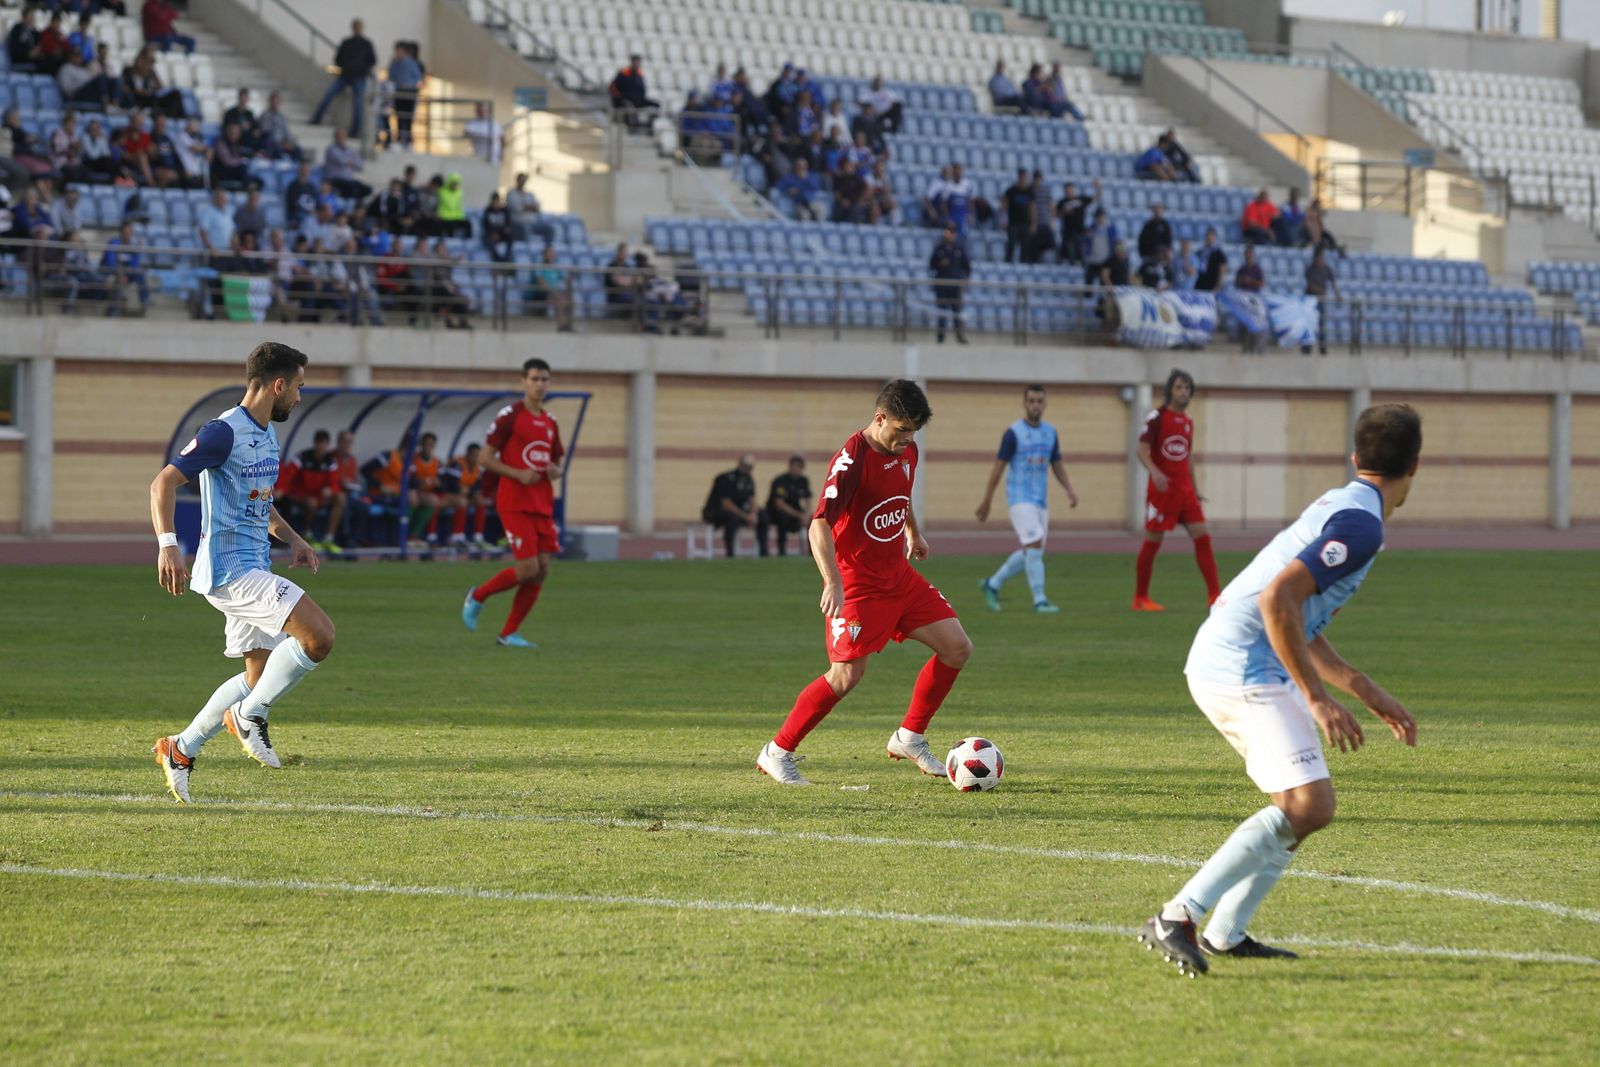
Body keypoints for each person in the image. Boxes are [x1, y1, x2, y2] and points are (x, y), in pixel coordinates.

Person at [1137, 404, 1422, 975]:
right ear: (1415, 465)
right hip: (1238, 665)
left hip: (1242, 657)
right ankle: (1177, 916)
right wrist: (1316, 699)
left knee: (1301, 807)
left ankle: (1225, 932)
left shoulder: (1347, 505)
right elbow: (1277, 603)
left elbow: (1298, 620)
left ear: (1355, 457)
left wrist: (1363, 688)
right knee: (1310, 803)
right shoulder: (1361, 525)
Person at [756, 379, 972, 786]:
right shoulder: (851, 460)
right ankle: (778, 751)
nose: (907, 439)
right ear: (880, 418)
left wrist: (913, 533)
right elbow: (818, 524)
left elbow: (900, 496)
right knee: (845, 676)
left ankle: (909, 736)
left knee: (958, 648)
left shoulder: (907, 450)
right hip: (858, 585)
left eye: (913, 432)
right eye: (901, 429)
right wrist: (832, 581)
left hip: (899, 578)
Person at [149, 342, 334, 803]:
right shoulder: (221, 432)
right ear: (278, 385)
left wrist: (292, 539)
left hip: (255, 563)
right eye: (298, 387)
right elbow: (163, 482)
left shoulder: (267, 433)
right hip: (229, 571)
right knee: (318, 637)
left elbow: (260, 501)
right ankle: (250, 715)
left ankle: (181, 749)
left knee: (258, 673)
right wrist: (168, 546)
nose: (299, 396)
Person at [461, 359, 565, 648]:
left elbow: (556, 460)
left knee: (543, 570)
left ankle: (508, 634)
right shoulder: (510, 415)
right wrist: (518, 473)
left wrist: (557, 469)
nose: (540, 384)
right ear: (523, 381)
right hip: (515, 502)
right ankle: (478, 595)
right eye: (534, 379)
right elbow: (485, 458)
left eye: (545, 379)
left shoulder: (549, 421)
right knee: (527, 569)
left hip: (542, 503)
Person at [976, 385, 1079, 614]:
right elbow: (998, 467)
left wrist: (1070, 490)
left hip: (1040, 501)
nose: (1035, 405)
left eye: (1039, 401)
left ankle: (992, 585)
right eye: (1031, 401)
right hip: (1019, 498)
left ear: (1045, 403)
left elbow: (1057, 464)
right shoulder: (1013, 433)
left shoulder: (1050, 432)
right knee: (1034, 544)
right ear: (1025, 403)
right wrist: (987, 500)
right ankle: (1040, 600)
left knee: (1033, 552)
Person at [1133, 369, 1220, 612]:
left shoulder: (1188, 422)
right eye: (1179, 387)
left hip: (1185, 492)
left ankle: (1214, 595)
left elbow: (1187, 456)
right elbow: (1141, 450)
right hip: (1162, 493)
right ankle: (1140, 597)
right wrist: (1155, 472)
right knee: (1153, 541)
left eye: (1187, 388)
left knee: (1203, 537)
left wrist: (1195, 488)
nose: (1183, 392)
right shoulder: (1157, 418)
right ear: (1170, 389)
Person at [311, 19, 377, 136]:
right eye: (356, 27)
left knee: (358, 104)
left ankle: (355, 131)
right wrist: (345, 67)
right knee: (328, 94)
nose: (357, 29)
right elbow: (338, 58)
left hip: (359, 77)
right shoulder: (347, 42)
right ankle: (316, 119)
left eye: (359, 27)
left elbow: (372, 60)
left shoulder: (366, 44)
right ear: (353, 28)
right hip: (345, 76)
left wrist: (361, 69)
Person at [289, 428, 345, 553]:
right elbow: (288, 477)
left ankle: (329, 538)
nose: (321, 447)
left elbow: (335, 482)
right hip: (302, 496)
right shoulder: (302, 458)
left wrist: (330, 489)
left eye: (324, 444)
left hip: (320, 497)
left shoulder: (330, 461)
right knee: (311, 502)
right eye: (319, 443)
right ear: (315, 443)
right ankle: (308, 534)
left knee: (341, 498)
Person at [701, 455, 767, 558]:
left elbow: (752, 499)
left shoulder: (749, 479)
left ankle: (764, 552)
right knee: (733, 518)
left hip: (738, 512)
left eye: (751, 467)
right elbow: (726, 504)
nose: (748, 469)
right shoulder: (725, 478)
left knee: (763, 515)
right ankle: (730, 552)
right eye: (747, 466)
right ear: (740, 464)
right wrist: (745, 516)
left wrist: (753, 514)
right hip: (715, 512)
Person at [929, 224, 970, 345]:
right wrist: (940, 264)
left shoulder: (959, 249)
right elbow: (931, 266)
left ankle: (960, 336)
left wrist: (965, 278)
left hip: (955, 286)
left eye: (951, 233)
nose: (948, 235)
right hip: (942, 286)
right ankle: (941, 337)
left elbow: (966, 267)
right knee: (942, 312)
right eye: (946, 232)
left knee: (957, 312)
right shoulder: (939, 249)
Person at [765, 454, 812, 557]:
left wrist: (807, 514)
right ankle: (782, 550)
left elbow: (808, 498)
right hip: (777, 512)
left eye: (798, 467)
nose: (796, 469)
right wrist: (799, 515)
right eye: (794, 466)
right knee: (783, 518)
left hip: (796, 511)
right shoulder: (780, 481)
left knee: (813, 520)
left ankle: (811, 550)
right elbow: (779, 503)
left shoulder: (803, 481)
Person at [101, 220, 149, 316]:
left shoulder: (132, 246)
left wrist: (127, 275)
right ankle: (112, 311)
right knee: (117, 282)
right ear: (121, 232)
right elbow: (111, 263)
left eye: (130, 232)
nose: (129, 234)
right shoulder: (114, 243)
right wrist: (120, 274)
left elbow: (135, 264)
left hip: (127, 275)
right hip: (111, 273)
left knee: (140, 275)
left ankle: (143, 306)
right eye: (126, 232)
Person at [1303, 245, 1338, 356]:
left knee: (1321, 323)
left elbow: (1333, 281)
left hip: (1321, 301)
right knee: (1309, 323)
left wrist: (1337, 294)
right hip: (1311, 300)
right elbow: (1310, 285)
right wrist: (1321, 292)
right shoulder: (1310, 269)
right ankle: (1307, 347)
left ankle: (1322, 347)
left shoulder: (1326, 268)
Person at [388, 41, 424, 150]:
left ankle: (408, 141)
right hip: (399, 91)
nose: (397, 53)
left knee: (408, 117)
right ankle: (399, 139)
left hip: (409, 92)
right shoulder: (394, 63)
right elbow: (391, 76)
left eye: (399, 51)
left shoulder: (411, 63)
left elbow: (418, 78)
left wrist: (410, 84)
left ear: (403, 51)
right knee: (399, 116)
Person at [506, 171, 555, 247]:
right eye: (520, 180)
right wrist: (527, 207)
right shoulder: (511, 194)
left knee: (549, 229)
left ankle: (548, 249)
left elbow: (536, 208)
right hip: (519, 223)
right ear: (517, 180)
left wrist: (528, 207)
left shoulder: (530, 194)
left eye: (524, 180)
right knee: (525, 230)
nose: (522, 182)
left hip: (533, 222)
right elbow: (516, 208)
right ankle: (527, 252)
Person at [1055, 180, 1097, 268]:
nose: (1069, 192)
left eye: (1071, 190)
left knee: (1082, 252)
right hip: (1068, 233)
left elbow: (1095, 199)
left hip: (1080, 231)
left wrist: (1098, 188)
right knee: (1071, 253)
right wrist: (1064, 211)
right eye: (1067, 190)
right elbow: (1056, 215)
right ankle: (1072, 268)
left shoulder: (1081, 199)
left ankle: (1083, 268)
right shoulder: (1062, 202)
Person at [609, 54, 659, 127]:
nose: (636, 64)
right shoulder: (624, 74)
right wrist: (620, 99)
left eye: (638, 62)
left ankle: (648, 126)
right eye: (635, 61)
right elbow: (612, 88)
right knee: (629, 106)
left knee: (656, 105)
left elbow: (642, 91)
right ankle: (632, 126)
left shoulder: (639, 75)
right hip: (626, 100)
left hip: (638, 100)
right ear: (631, 62)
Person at [324, 127, 371, 200]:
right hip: (335, 180)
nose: (341, 137)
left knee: (367, 189)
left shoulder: (351, 150)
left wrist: (350, 162)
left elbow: (360, 165)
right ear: (335, 136)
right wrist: (352, 161)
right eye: (339, 135)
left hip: (348, 180)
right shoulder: (331, 149)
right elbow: (342, 161)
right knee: (351, 189)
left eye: (343, 135)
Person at [1002, 168, 1032, 264]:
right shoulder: (1011, 191)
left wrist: (1033, 223)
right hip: (1013, 222)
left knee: (1025, 246)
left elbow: (1033, 208)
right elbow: (1004, 205)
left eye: (1024, 177)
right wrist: (1003, 219)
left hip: (1025, 223)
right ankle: (1008, 263)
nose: (1023, 179)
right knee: (1011, 244)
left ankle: (1024, 265)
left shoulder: (1029, 191)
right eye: (1021, 177)